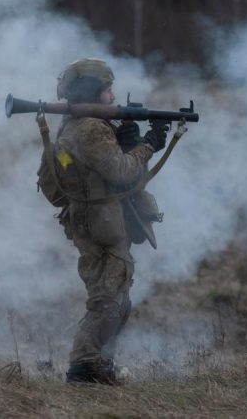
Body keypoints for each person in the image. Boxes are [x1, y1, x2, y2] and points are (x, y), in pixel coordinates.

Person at [52, 58, 168, 384]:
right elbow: (121, 172)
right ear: (93, 92)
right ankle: (84, 367)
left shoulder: (74, 125)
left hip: (91, 220)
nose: (113, 94)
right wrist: (149, 144)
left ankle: (101, 365)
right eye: (107, 89)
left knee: (117, 297)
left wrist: (126, 142)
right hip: (101, 224)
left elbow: (102, 170)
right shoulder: (90, 127)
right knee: (108, 301)